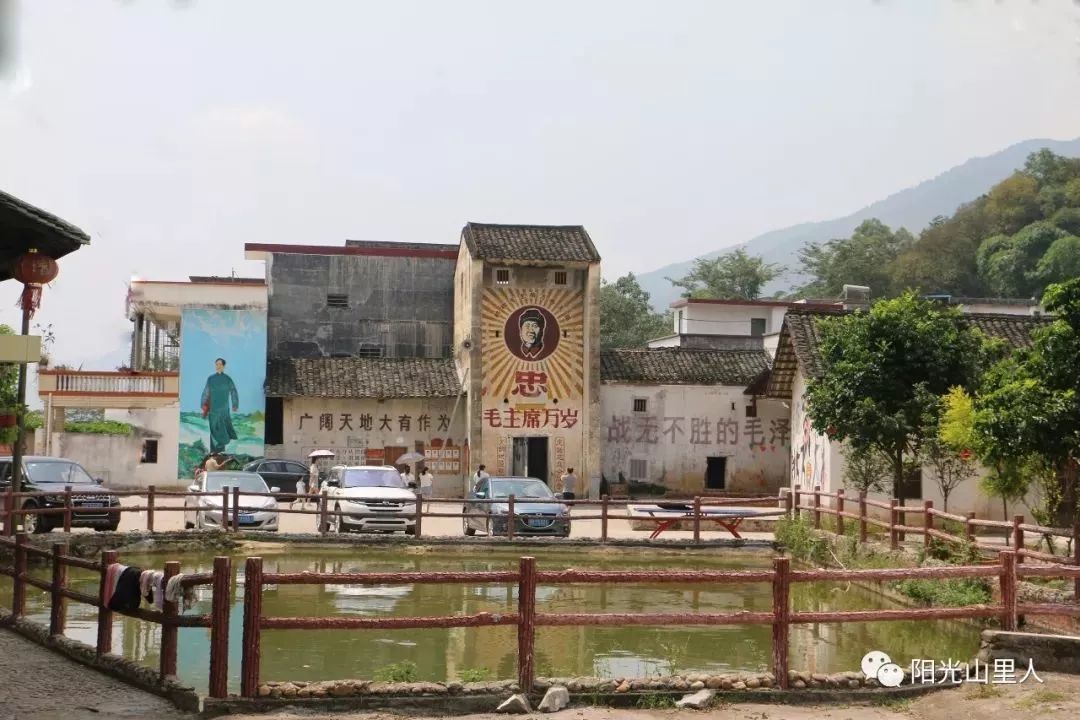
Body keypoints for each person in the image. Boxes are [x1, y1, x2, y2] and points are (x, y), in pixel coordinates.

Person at [200, 358, 239, 454]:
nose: (218, 366)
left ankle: (221, 451)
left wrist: (235, 404)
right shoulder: (211, 379)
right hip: (213, 409)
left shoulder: (227, 379)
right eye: (216, 364)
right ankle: (213, 452)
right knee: (213, 429)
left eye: (220, 364)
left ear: (224, 366)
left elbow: (233, 391)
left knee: (222, 430)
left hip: (224, 409)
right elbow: (206, 392)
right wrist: (203, 404)